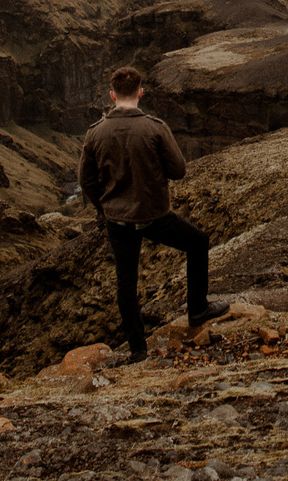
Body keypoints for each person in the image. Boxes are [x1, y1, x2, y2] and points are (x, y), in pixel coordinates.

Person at [78, 66, 212, 362]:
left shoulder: (95, 133)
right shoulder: (155, 127)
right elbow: (178, 171)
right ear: (140, 92)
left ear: (112, 95)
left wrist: (104, 208)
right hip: (155, 216)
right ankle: (198, 309)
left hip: (117, 221)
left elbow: (85, 181)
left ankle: (138, 349)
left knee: (126, 281)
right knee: (198, 242)